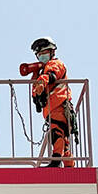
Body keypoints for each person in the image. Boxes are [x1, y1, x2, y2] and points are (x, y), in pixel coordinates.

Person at [28, 37, 73, 167]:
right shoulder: (44, 69)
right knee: (63, 138)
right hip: (53, 107)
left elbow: (51, 75)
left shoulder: (55, 63)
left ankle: (56, 160)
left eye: (44, 53)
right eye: (39, 55)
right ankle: (69, 165)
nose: (42, 56)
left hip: (59, 105)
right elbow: (37, 91)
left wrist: (42, 81)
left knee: (57, 132)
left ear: (52, 52)